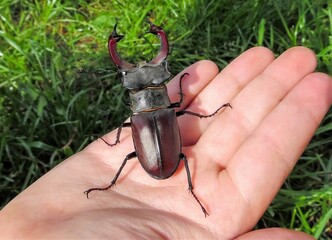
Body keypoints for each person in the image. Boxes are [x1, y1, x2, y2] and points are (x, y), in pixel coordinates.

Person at [0, 46, 331, 239]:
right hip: (166, 162)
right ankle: (157, 186)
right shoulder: (170, 110)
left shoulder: (136, 118)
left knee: (139, 155)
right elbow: (191, 111)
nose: (146, 85)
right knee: (182, 158)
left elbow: (186, 112)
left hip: (158, 162)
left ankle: (131, 182)